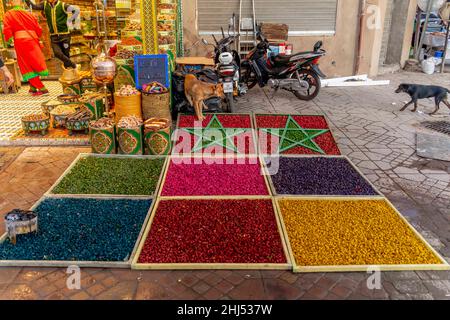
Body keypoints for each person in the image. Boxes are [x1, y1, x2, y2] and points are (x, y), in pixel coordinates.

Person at [3, 0, 49, 95]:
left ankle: (42, 88)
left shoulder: (9, 14)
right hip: (33, 40)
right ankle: (32, 87)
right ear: (22, 3)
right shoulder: (29, 14)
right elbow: (39, 30)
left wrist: (9, 39)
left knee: (26, 65)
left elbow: (7, 29)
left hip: (21, 42)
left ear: (11, 3)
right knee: (34, 62)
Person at [25, 0, 79, 70]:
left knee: (66, 56)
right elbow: (33, 6)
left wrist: (71, 21)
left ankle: (70, 75)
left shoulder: (63, 5)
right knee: (57, 53)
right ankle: (74, 65)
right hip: (54, 37)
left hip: (65, 36)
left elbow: (76, 10)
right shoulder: (44, 5)